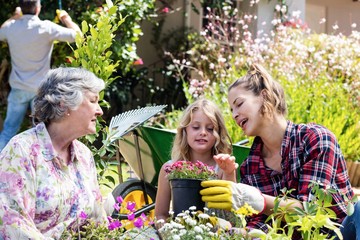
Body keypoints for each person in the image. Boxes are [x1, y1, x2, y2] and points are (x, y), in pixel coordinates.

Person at [200, 64, 358, 239]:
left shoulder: (315, 139)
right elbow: (264, 226)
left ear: (264, 96)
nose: (234, 115)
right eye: (231, 110)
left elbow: (312, 213)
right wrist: (240, 233)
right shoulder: (251, 167)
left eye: (239, 104)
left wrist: (258, 199)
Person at [0, 67, 107, 239]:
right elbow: (13, 223)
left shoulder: (84, 155)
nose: (100, 110)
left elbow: (97, 218)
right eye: (93, 101)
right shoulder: (22, 151)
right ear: (65, 103)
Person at [0, 0, 81, 151]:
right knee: (43, 134)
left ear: (21, 9)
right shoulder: (46, 27)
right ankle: (42, 170)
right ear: (38, 9)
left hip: (18, 88)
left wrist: (14, 16)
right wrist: (66, 18)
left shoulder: (11, 27)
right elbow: (78, 36)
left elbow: (1, 31)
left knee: (8, 131)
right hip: (40, 90)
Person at [154, 98, 238, 224]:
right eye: (196, 127)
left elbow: (230, 214)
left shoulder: (222, 168)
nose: (203, 133)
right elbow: (160, 214)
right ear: (185, 131)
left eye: (210, 129)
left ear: (218, 134)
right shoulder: (169, 169)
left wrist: (229, 173)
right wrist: (167, 232)